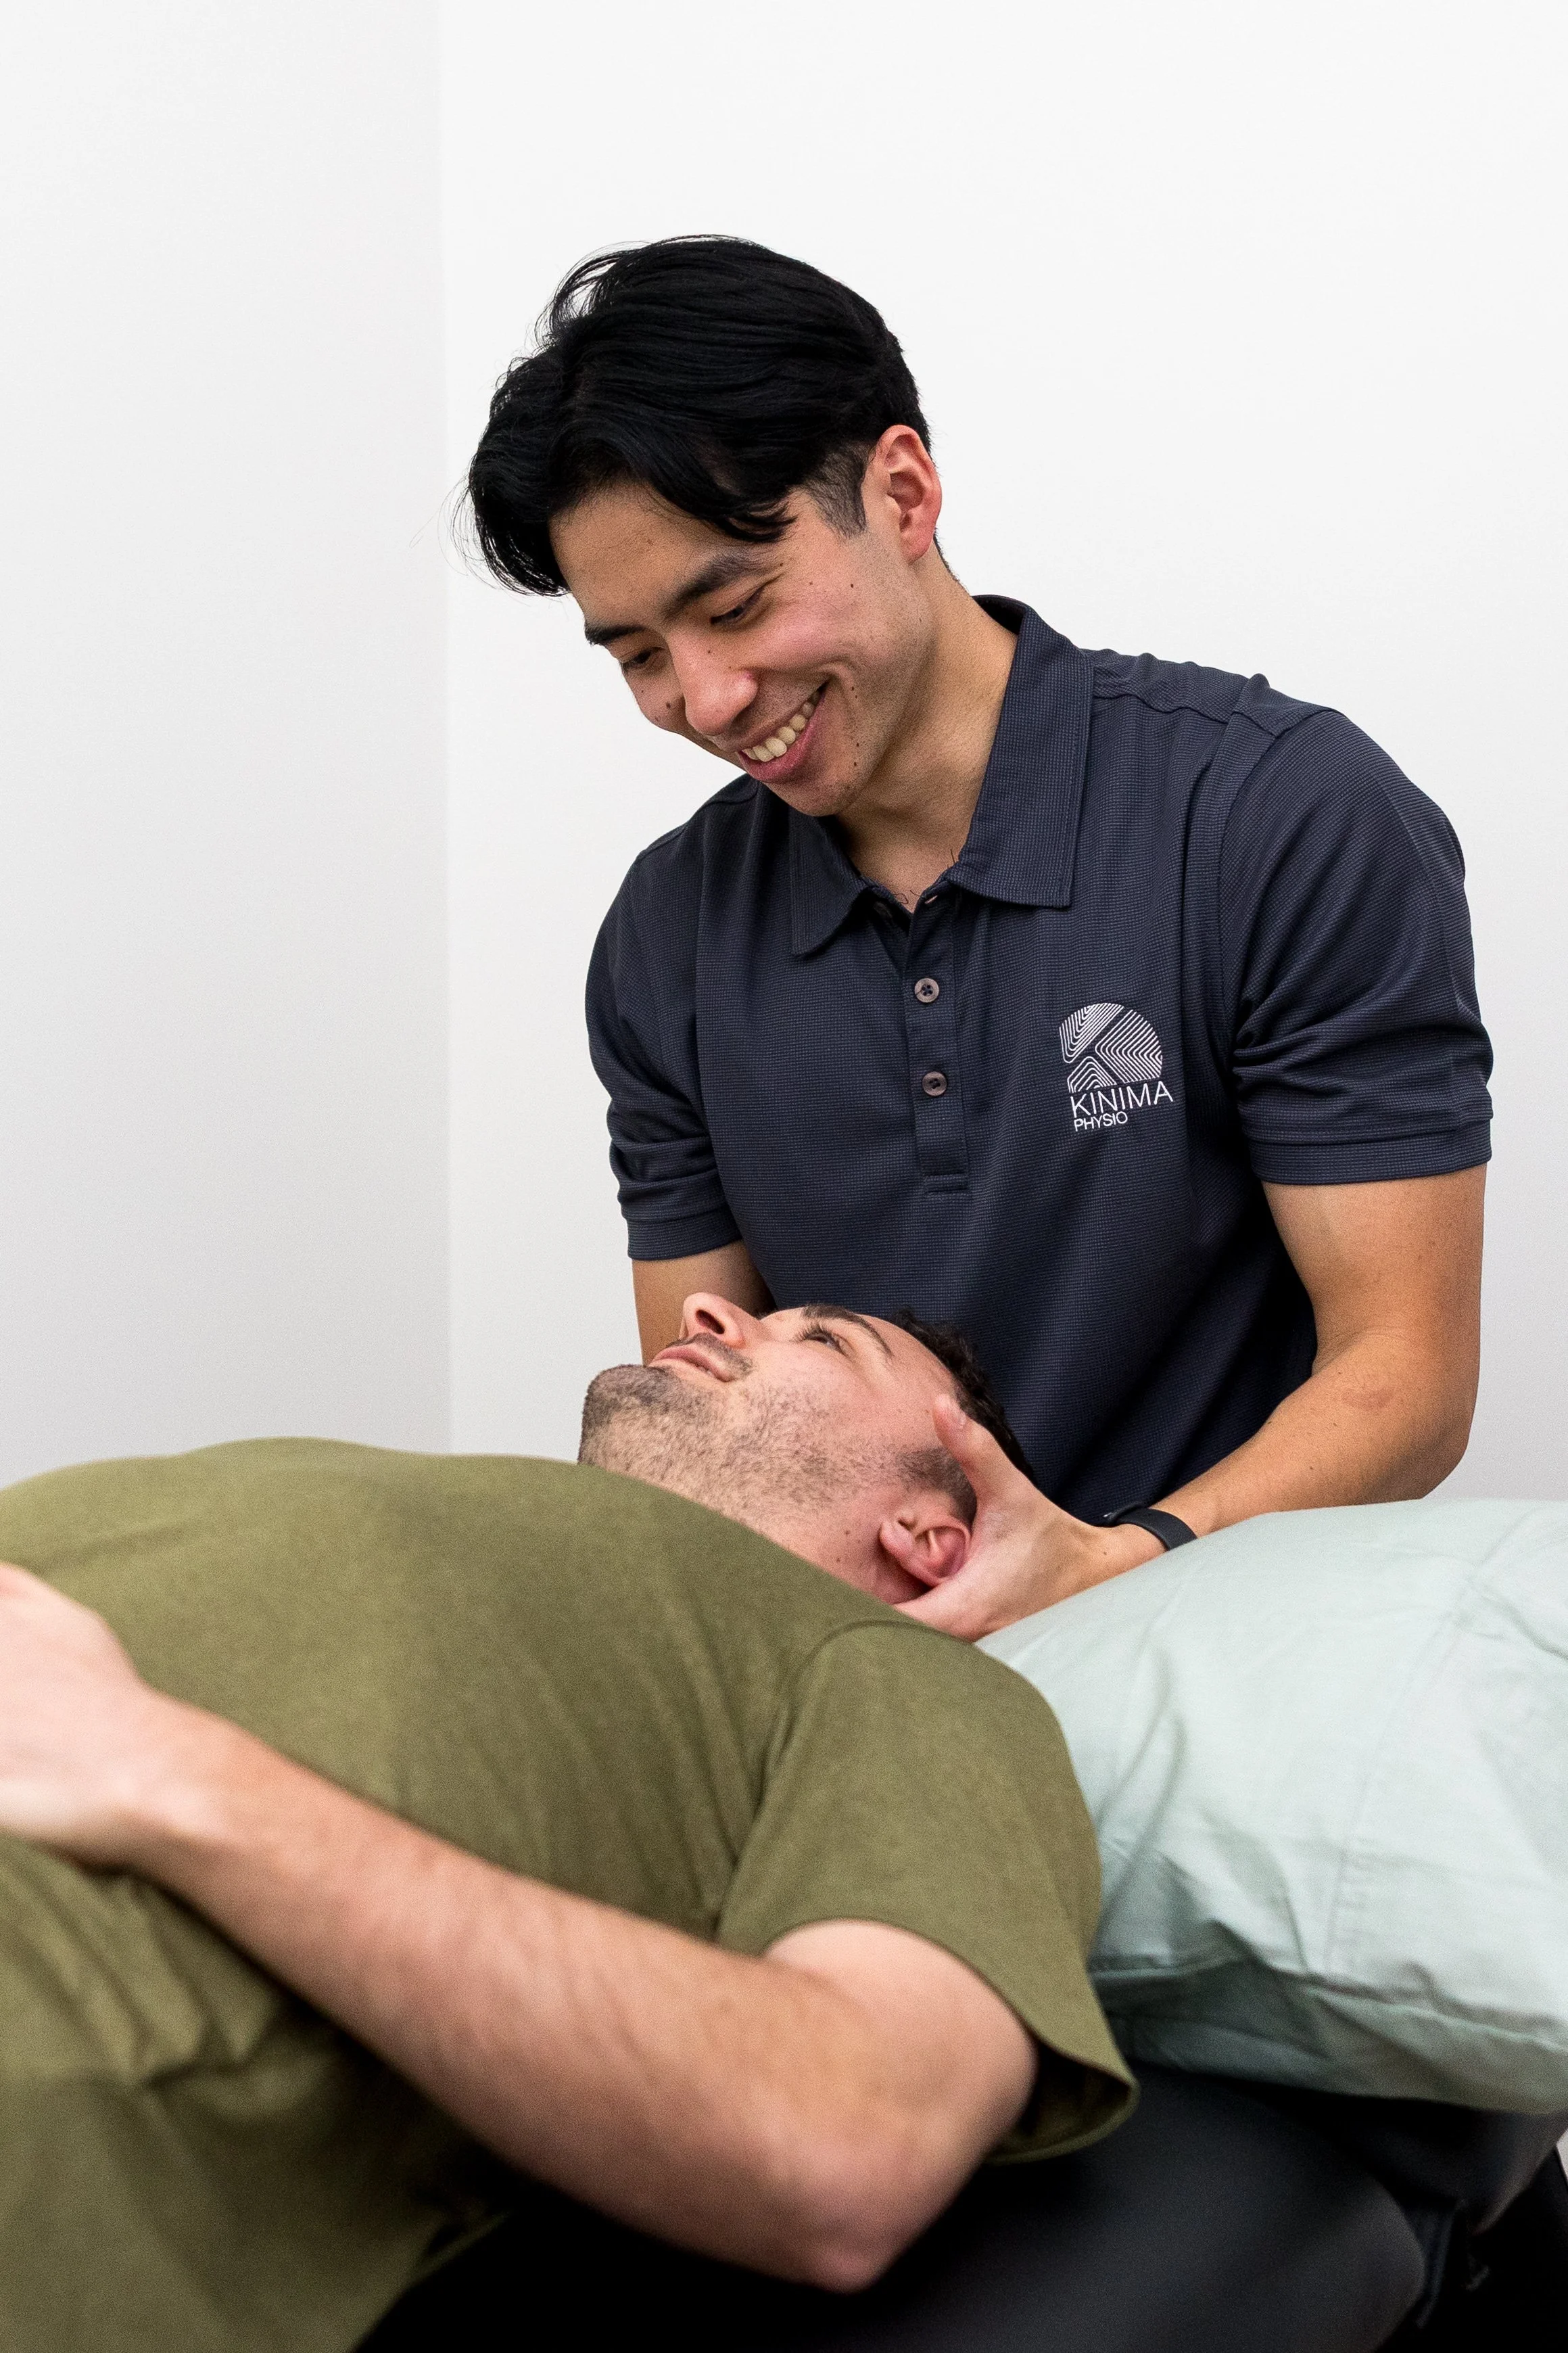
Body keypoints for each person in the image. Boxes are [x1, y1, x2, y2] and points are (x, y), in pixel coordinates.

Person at [464, 235, 1494, 1636]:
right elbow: (714, 1463)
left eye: (734, 607)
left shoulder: (1274, 814)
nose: (703, 700)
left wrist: (1100, 1572)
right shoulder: (668, 937)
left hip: (1225, 1640)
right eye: (640, 654)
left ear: (901, 491)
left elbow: (1404, 1376)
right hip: (871, 1676)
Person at [0, 1301, 1129, 2353]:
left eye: (825, 1341)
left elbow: (852, 2129)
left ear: (927, 1533)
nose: (707, 1309)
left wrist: (169, 1772)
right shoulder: (470, 1512)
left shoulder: (903, 1681)